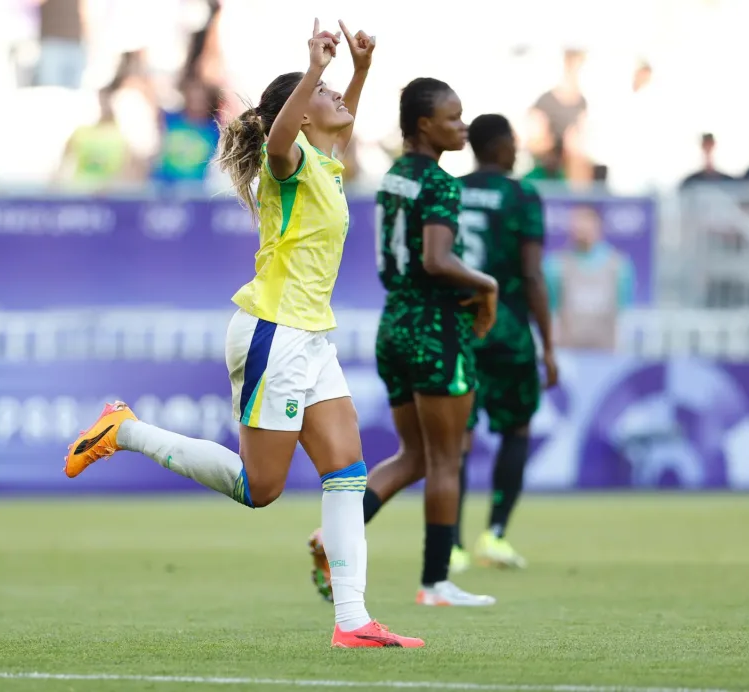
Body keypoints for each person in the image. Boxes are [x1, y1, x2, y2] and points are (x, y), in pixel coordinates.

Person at [64, 18, 424, 650]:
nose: (337, 97)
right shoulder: (285, 161)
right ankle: (124, 430)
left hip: (311, 338)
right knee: (261, 490)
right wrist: (312, 68)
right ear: (300, 114)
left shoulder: (325, 161)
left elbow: (327, 120)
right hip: (273, 333)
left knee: (347, 473)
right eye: (326, 94)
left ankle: (352, 622)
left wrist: (358, 73)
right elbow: (286, 132)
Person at [310, 78, 499, 607]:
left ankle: (333, 537)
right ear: (424, 126)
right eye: (453, 118)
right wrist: (487, 284)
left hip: (393, 324)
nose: (463, 126)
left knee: (414, 455)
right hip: (436, 328)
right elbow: (437, 261)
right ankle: (436, 582)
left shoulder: (394, 177)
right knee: (445, 459)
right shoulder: (440, 184)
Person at [450, 114, 558, 573]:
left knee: (456, 437)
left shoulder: (449, 190)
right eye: (512, 143)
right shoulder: (521, 195)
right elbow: (532, 274)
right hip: (509, 328)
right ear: (497, 147)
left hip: (460, 331)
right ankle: (494, 534)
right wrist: (548, 344)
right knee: (515, 430)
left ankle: (450, 545)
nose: (517, 151)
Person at [544, 204, 635, 351]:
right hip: (568, 353)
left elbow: (623, 310)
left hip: (606, 351)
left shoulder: (619, 265)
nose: (581, 230)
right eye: (576, 225)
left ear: (598, 227)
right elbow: (552, 310)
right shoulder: (555, 265)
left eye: (586, 224)